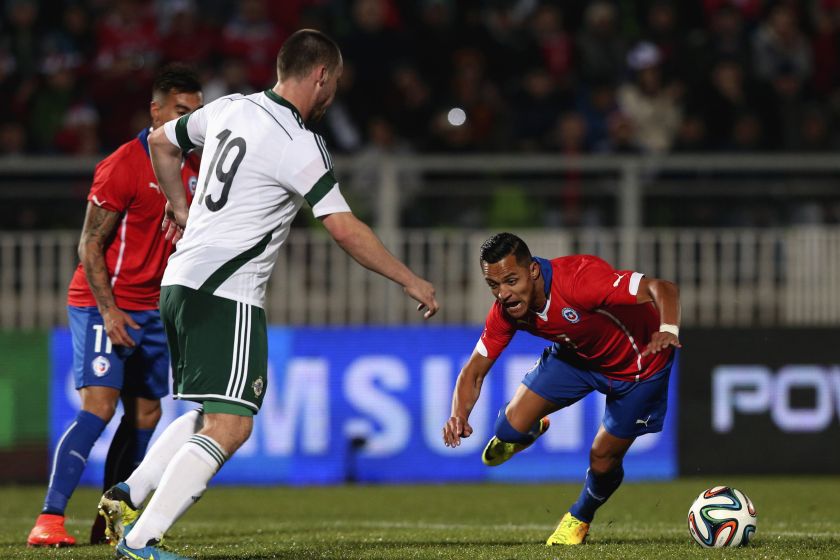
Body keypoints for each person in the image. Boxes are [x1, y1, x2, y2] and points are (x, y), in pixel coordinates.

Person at [98, 29, 439, 560]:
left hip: (180, 281)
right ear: (321, 75)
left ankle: (129, 493)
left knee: (212, 412)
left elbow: (162, 141)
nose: (334, 93)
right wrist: (409, 279)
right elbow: (343, 226)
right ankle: (141, 542)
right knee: (232, 424)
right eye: (336, 81)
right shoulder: (298, 141)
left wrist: (179, 205)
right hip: (223, 291)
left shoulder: (231, 106)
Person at [26, 65, 203, 548]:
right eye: (181, 112)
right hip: (105, 302)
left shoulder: (195, 169)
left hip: (154, 309)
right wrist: (108, 311)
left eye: (196, 114)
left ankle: (110, 520)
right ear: (156, 110)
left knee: (146, 415)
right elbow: (89, 244)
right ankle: (49, 519)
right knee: (99, 407)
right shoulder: (124, 163)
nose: (189, 122)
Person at [442, 232, 681, 546]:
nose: (503, 294)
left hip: (640, 368)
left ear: (533, 271)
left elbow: (662, 288)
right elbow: (473, 370)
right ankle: (528, 431)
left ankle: (580, 517)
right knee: (507, 429)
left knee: (602, 458)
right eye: (494, 285)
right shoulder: (506, 310)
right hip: (578, 359)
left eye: (511, 281)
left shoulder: (581, 281)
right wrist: (458, 414)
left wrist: (667, 328)